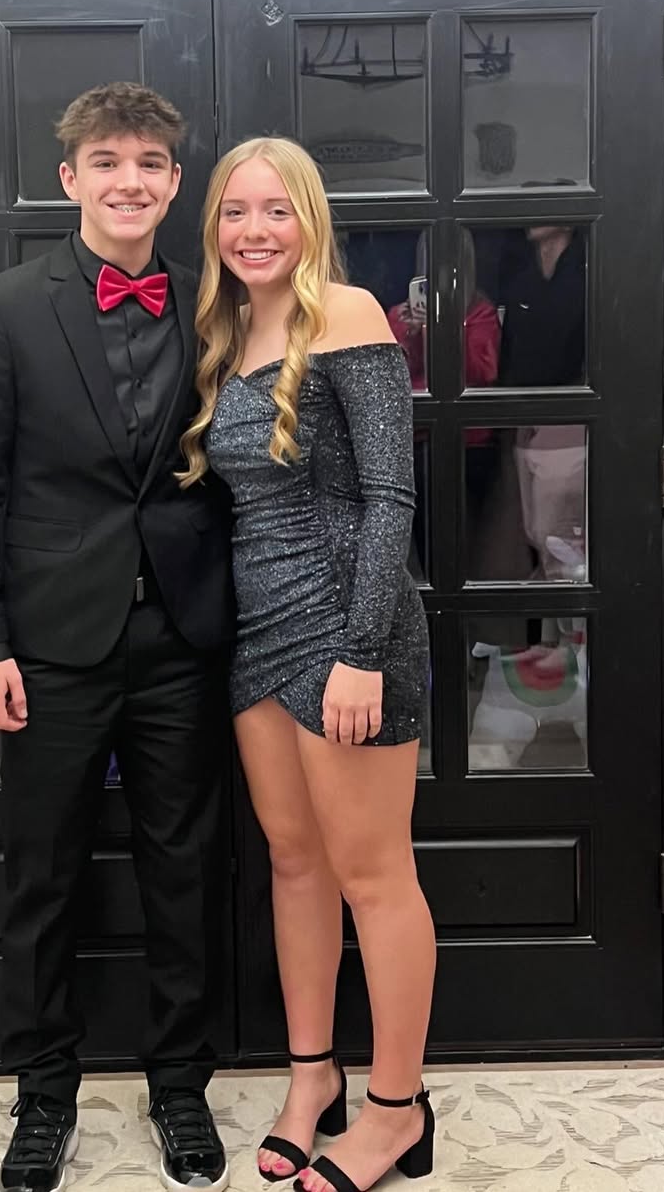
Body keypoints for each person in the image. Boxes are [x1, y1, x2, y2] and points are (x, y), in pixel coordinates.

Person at [0, 82, 233, 1192]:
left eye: (149, 162)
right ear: (70, 179)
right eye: (107, 161)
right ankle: (43, 1098)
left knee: (183, 871)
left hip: (185, 638)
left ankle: (180, 1089)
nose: (129, 180)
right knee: (44, 877)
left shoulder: (217, 303)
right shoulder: (4, 308)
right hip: (49, 644)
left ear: (174, 181)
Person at [178, 137, 436, 1192]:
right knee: (295, 864)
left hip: (348, 633)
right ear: (215, 228)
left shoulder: (351, 314)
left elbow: (391, 495)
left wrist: (361, 651)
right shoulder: (225, 332)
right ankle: (312, 1078)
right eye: (236, 211)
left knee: (375, 876)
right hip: (258, 635)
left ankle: (395, 1111)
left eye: (276, 210)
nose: (255, 231)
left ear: (309, 220)